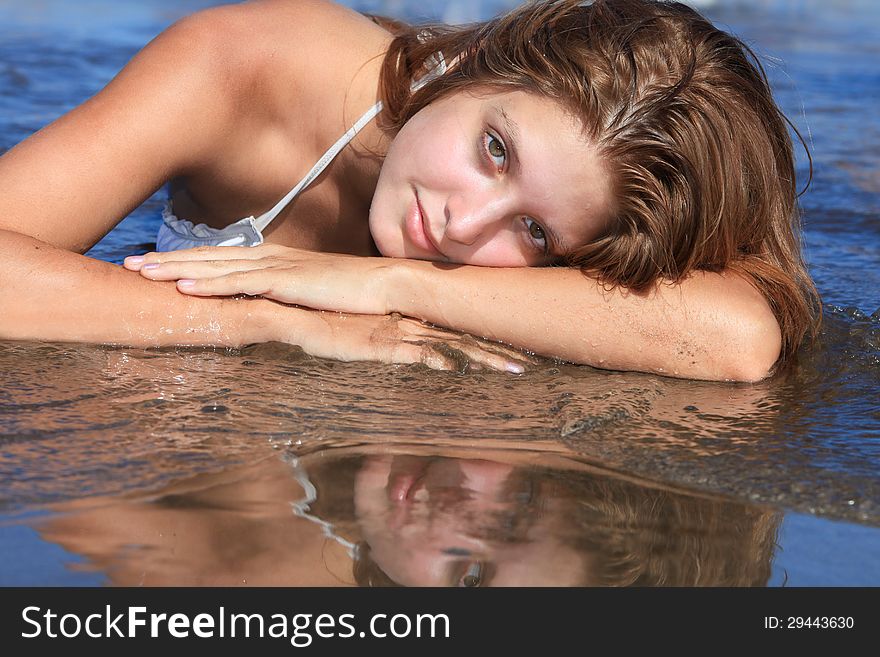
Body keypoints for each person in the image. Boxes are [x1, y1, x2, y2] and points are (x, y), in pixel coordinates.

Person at [0, 0, 820, 381]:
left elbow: (739, 338)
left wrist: (385, 282)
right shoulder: (244, 67)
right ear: (468, 63)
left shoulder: (592, 200)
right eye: (494, 149)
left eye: (534, 232)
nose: (466, 221)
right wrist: (267, 324)